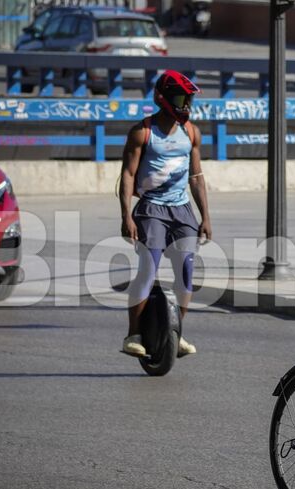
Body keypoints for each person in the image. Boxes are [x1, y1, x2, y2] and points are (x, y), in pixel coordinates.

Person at [119, 69, 212, 358]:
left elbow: (196, 176)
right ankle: (133, 334)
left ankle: (175, 331)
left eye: (188, 99)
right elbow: (127, 175)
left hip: (182, 209)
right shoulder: (142, 132)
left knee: (186, 272)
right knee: (148, 269)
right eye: (181, 98)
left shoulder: (191, 132)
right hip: (151, 210)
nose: (186, 105)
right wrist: (126, 216)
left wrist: (205, 216)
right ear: (163, 98)